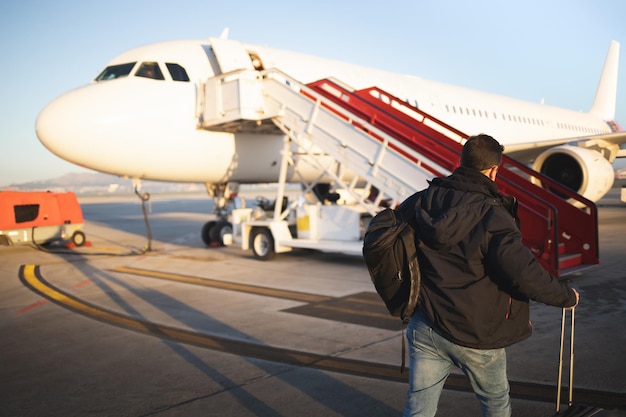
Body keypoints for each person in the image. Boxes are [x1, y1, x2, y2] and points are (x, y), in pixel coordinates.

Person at [402, 134, 579, 417]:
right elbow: (522, 273)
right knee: (495, 403)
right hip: (477, 332)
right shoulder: (493, 214)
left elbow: (392, 243)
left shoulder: (422, 201)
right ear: (494, 170)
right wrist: (565, 296)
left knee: (419, 406)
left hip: (427, 324)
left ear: (463, 163)